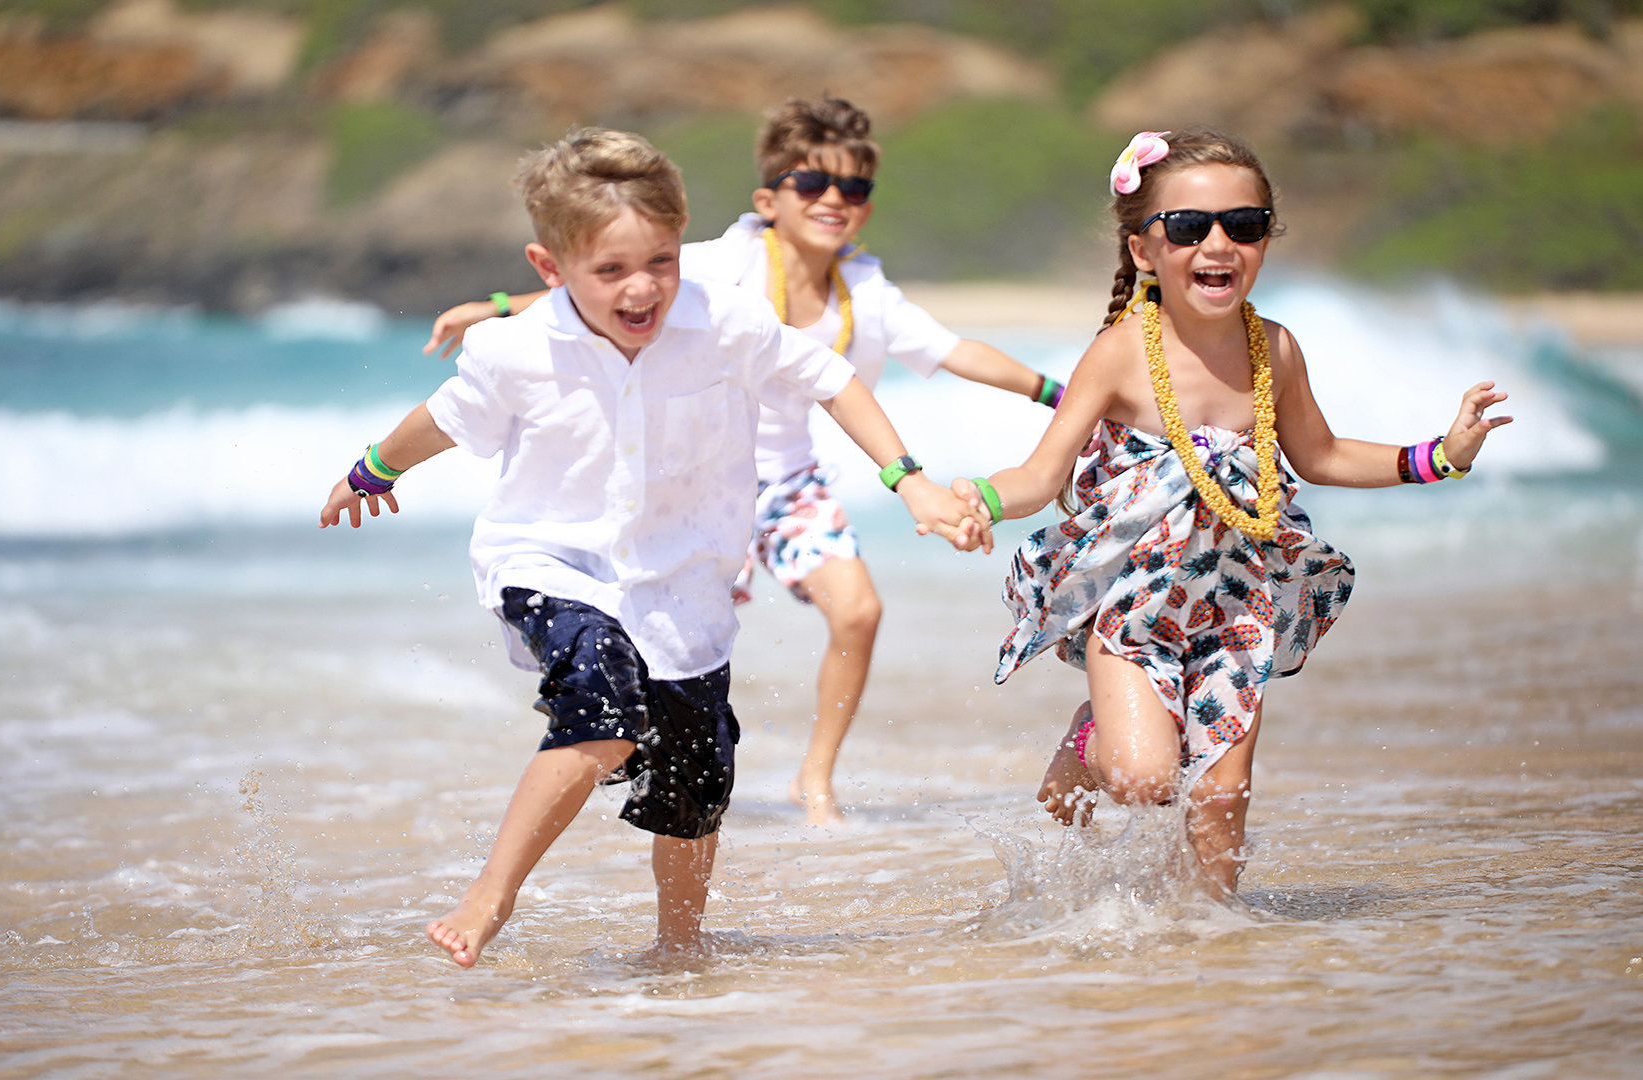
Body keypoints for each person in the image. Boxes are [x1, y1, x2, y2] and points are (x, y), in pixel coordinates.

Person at [319, 127, 989, 967]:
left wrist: (910, 480)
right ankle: (492, 894)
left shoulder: (726, 323)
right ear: (549, 268)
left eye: (662, 263)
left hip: (684, 585)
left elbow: (834, 380)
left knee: (696, 792)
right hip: (549, 562)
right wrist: (373, 469)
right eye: (611, 272)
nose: (643, 289)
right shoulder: (516, 350)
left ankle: (680, 946)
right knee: (601, 701)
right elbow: (444, 421)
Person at [424, 96, 1054, 826]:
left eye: (853, 189)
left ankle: (814, 779)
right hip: (690, 484)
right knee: (646, 647)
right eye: (812, 184)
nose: (833, 201)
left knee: (859, 610)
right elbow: (608, 275)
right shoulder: (728, 261)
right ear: (769, 198)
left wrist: (1063, 392)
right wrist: (501, 304)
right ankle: (602, 731)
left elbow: (957, 352)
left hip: (789, 486)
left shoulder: (869, 291)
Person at [952, 128, 1511, 899]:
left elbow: (1320, 456)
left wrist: (1440, 455)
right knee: (1143, 779)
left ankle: (1214, 952)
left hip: (1233, 603)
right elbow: (1041, 475)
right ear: (1144, 248)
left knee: (1219, 799)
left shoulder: (1274, 350)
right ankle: (1090, 740)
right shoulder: (1120, 352)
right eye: (1189, 227)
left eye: (1244, 225)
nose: (1218, 243)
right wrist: (976, 500)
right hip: (1135, 606)